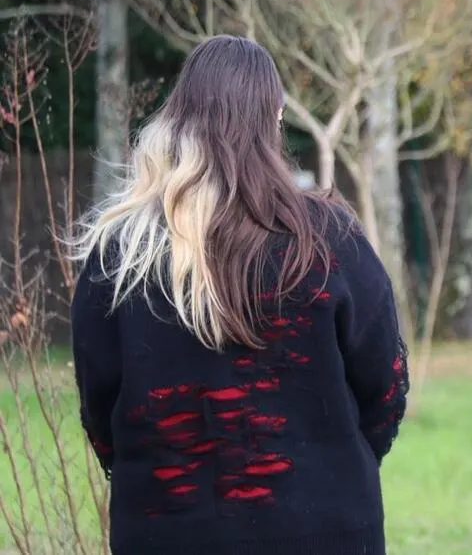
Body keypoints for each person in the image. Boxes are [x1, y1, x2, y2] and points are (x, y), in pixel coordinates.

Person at [70, 35, 408, 555]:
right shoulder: (329, 242)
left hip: (166, 532)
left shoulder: (120, 253)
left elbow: (100, 412)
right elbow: (385, 387)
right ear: (274, 118)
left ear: (178, 117)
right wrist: (331, 467)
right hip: (327, 528)